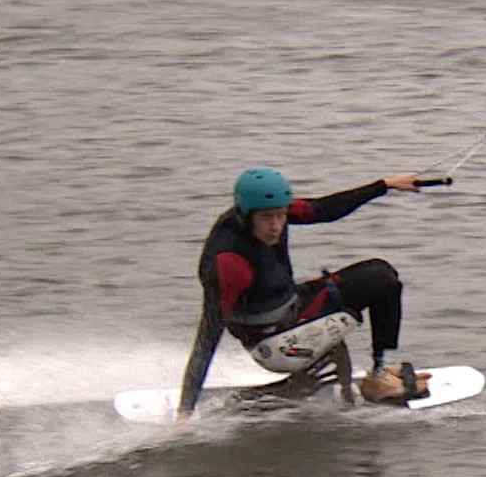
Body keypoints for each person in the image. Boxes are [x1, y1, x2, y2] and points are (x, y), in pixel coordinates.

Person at [177, 166, 426, 417]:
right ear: (246, 215)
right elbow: (207, 337)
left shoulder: (271, 212)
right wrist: (185, 411)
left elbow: (323, 210)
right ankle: (378, 380)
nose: (275, 226)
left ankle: (378, 371)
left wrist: (385, 185)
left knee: (382, 276)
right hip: (273, 342)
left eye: (280, 215)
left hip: (291, 307)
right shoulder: (230, 262)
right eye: (267, 218)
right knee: (377, 278)